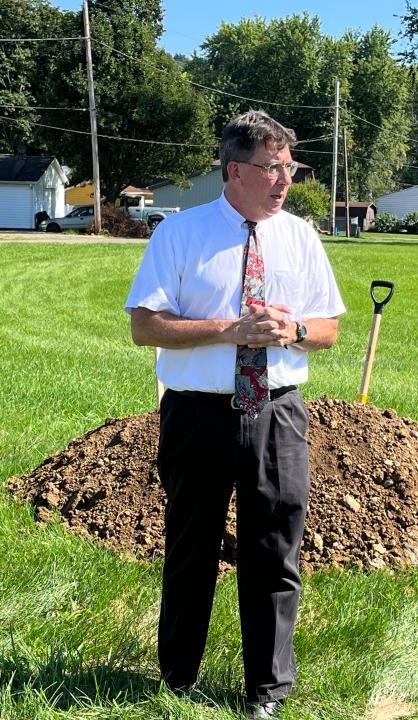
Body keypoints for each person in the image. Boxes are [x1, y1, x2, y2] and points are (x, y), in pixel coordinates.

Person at [124, 110, 345, 719]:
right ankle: (177, 678)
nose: (285, 181)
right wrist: (232, 329)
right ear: (234, 170)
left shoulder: (301, 237)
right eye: (273, 169)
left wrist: (294, 328)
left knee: (275, 549)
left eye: (290, 169)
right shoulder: (179, 234)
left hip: (278, 412)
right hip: (198, 412)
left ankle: (267, 692)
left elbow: (328, 328)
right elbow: (146, 326)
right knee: (191, 544)